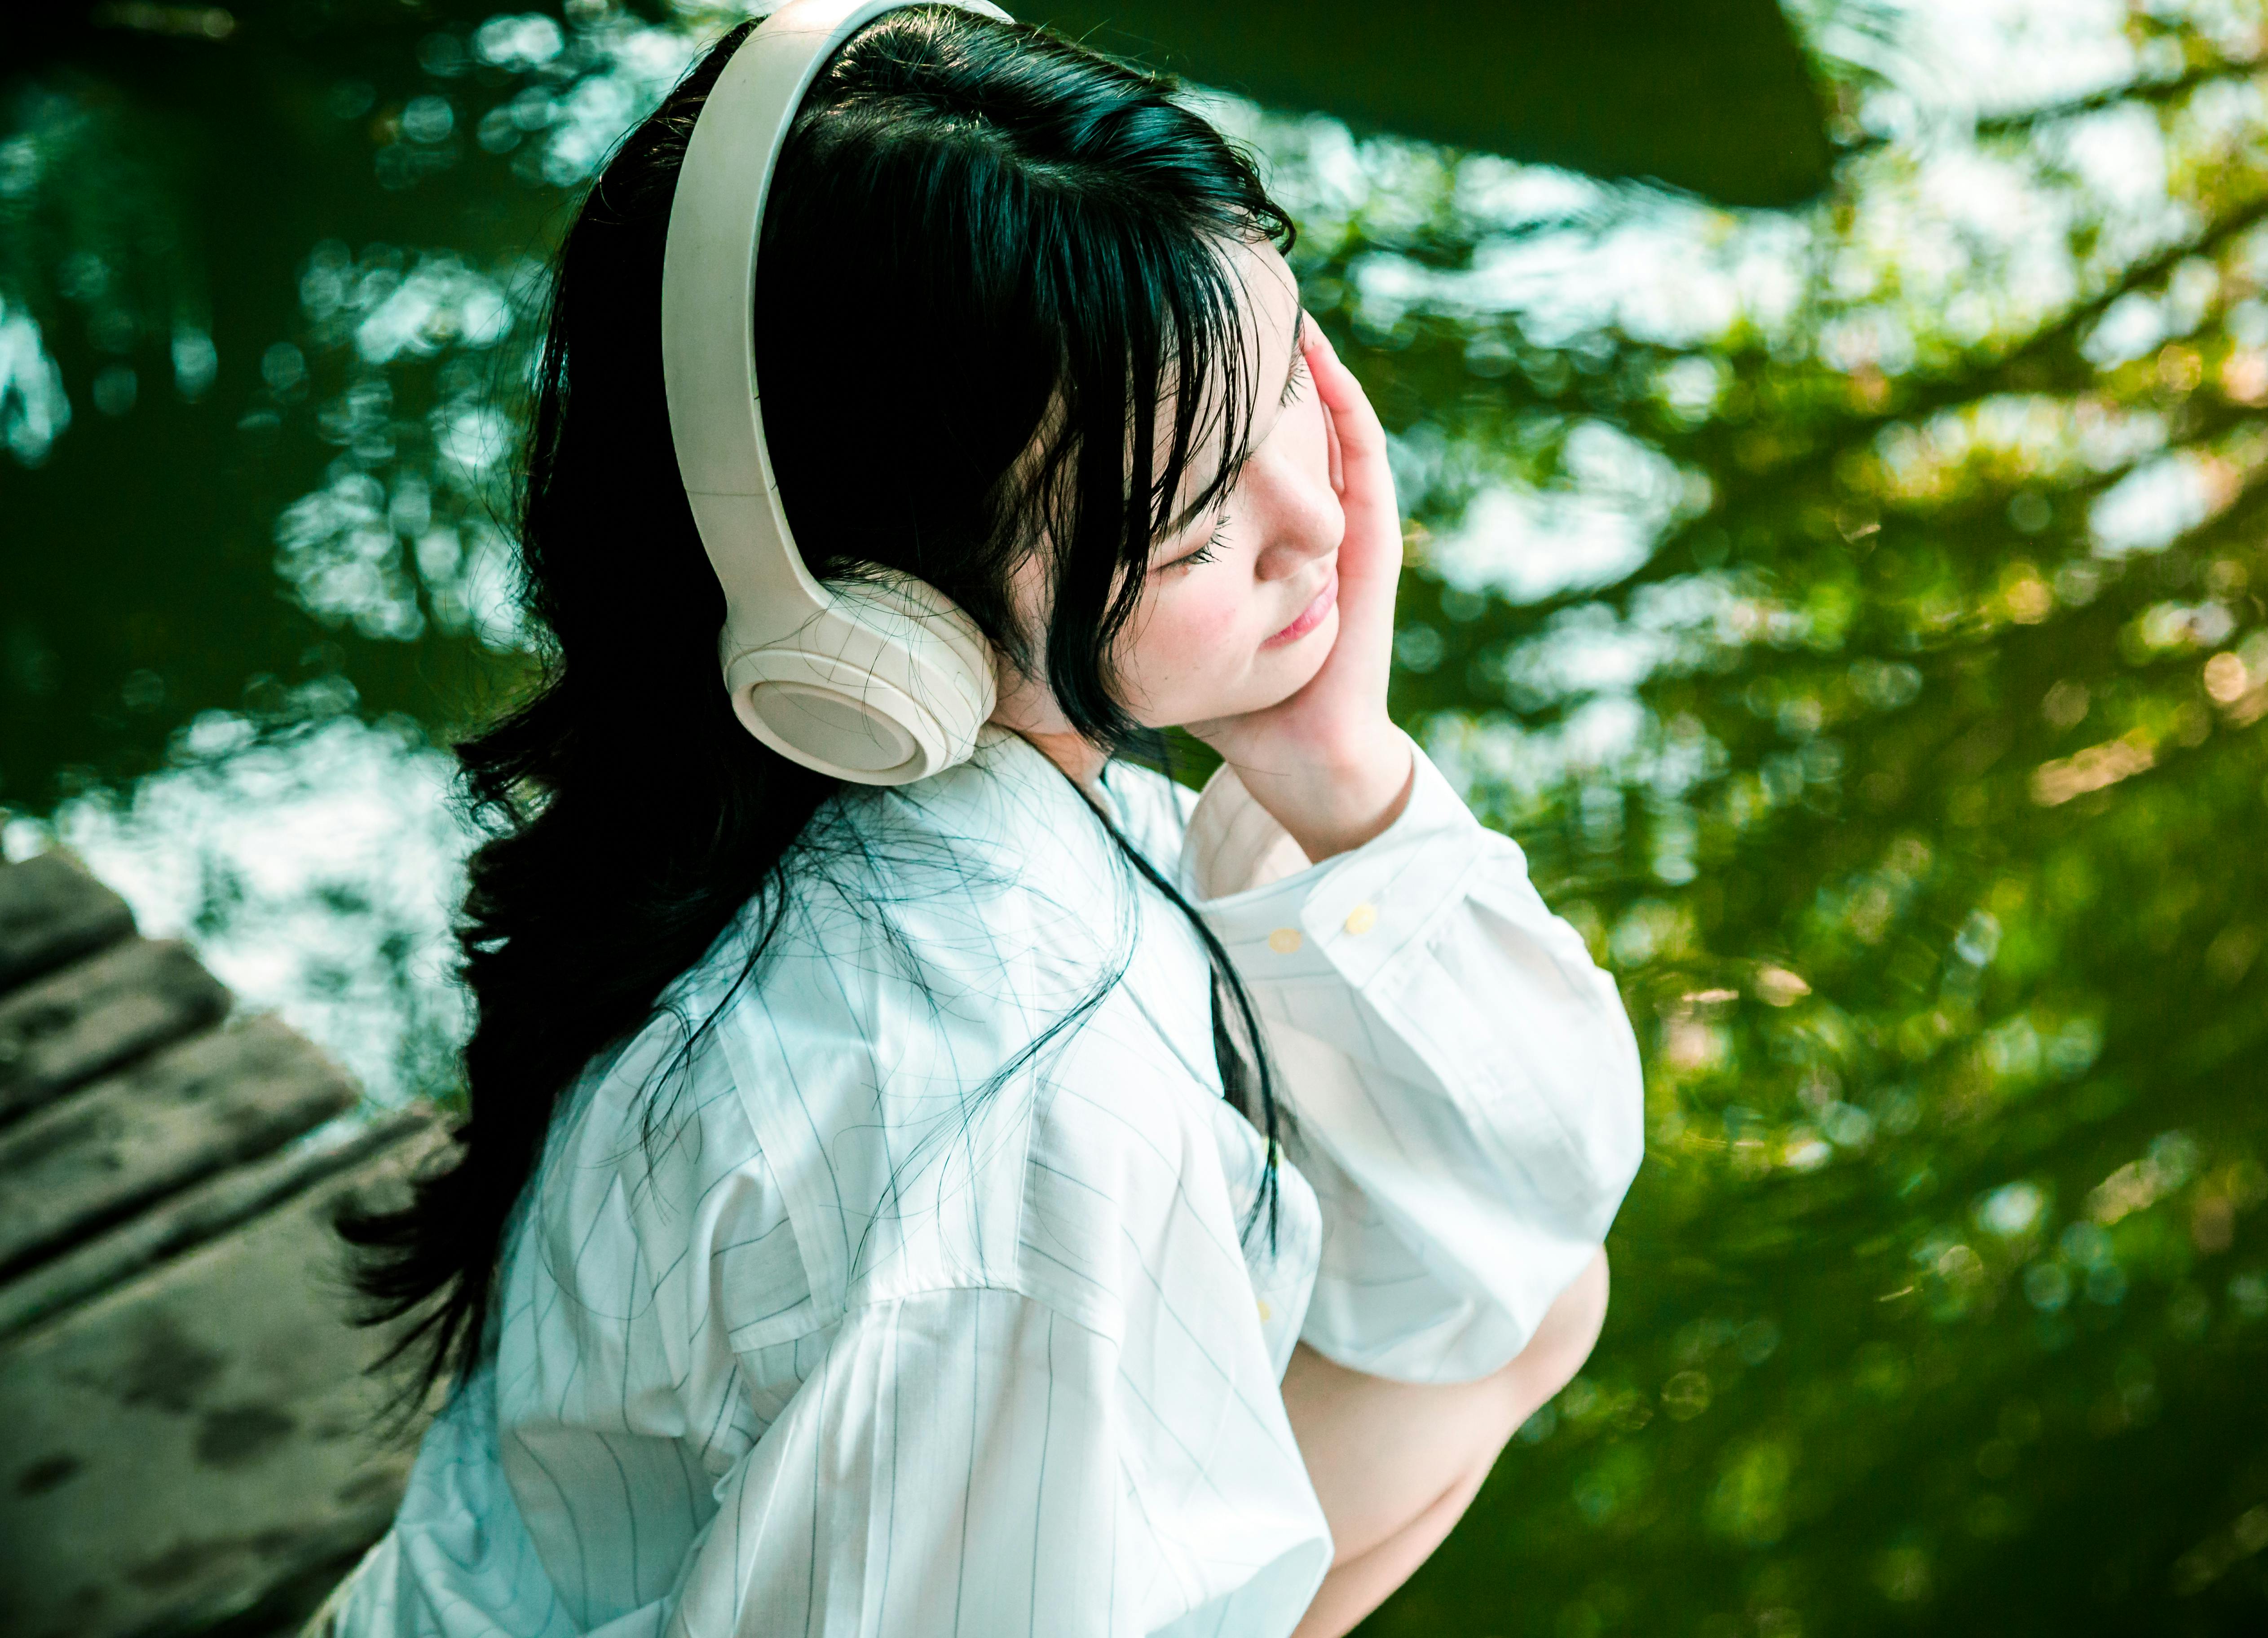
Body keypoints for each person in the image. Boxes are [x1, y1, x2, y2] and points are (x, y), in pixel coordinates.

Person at [313, 6, 1643, 1634]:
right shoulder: (1013, 1120)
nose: (1327, 520)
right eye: (1196, 512)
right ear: (872, 617)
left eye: (1289, 382)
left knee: (1521, 1292)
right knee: (1513, 1302)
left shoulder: (745, 802)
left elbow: (1509, 1218)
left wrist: (1335, 774)